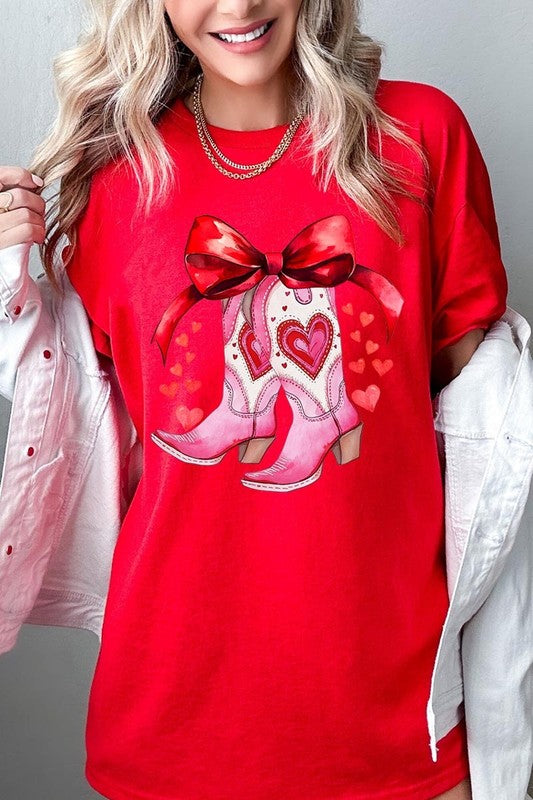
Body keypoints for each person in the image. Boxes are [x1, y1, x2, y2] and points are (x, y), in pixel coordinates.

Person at [0, 1, 509, 798]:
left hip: (397, 713)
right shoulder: (114, 173)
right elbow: (69, 410)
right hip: (172, 711)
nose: (237, 6)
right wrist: (8, 280)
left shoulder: (416, 134)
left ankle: (314, 408)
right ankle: (249, 402)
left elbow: (478, 428)